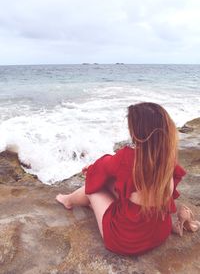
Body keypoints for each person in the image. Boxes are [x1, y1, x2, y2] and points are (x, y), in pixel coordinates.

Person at [56, 102, 199, 255]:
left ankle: (68, 200)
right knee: (112, 181)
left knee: (94, 187)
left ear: (137, 132)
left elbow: (99, 170)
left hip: (127, 241)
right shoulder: (167, 160)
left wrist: (91, 170)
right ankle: (74, 200)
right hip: (159, 232)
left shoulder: (127, 158)